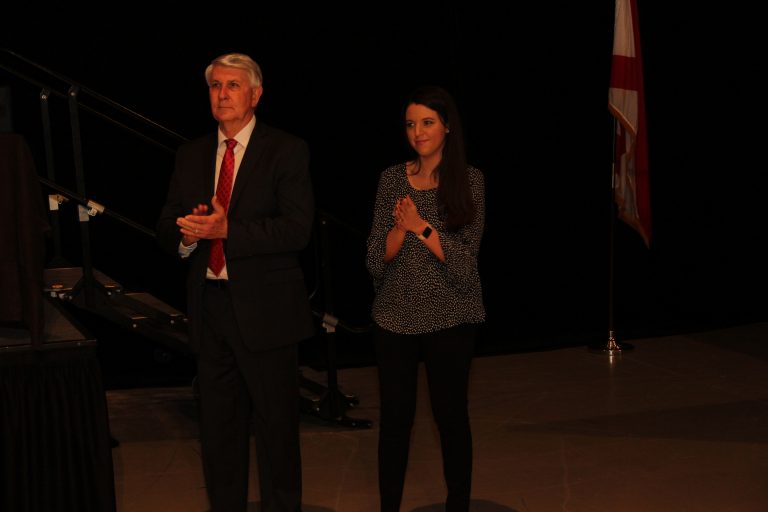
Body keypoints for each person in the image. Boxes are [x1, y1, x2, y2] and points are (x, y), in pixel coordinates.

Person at [156, 52, 314, 512]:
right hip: (210, 308)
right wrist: (187, 236)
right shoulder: (190, 154)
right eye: (215, 86)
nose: (222, 94)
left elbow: (297, 229)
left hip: (267, 312)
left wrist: (229, 231)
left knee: (276, 431)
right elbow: (165, 225)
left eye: (232, 86)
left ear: (255, 95)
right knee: (218, 432)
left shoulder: (286, 150)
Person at [365, 85, 486, 511]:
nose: (417, 132)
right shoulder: (391, 179)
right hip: (394, 318)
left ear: (447, 126)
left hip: (451, 318)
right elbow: (374, 258)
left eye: (427, 122)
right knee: (395, 423)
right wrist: (399, 231)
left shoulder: (470, 181)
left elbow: (465, 262)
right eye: (410, 124)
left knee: (451, 419)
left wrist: (421, 226)